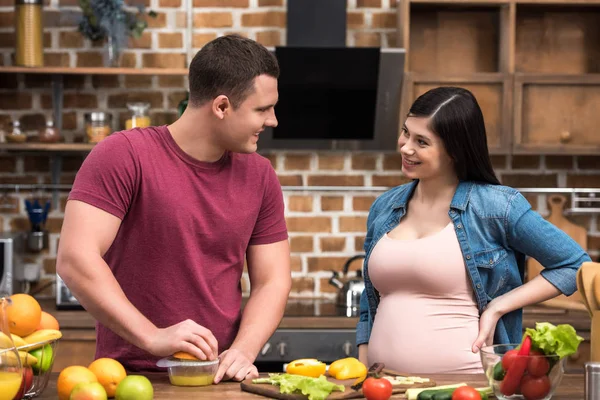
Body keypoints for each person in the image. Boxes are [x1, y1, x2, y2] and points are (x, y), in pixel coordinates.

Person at [56, 35, 292, 382]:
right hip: (127, 379)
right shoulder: (122, 155)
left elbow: (273, 280)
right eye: (262, 109)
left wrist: (243, 350)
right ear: (222, 106)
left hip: (216, 379)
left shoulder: (260, 176)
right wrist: (153, 336)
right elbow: (75, 259)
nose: (272, 120)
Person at [356, 87, 590, 374]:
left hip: (467, 384)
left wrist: (499, 305)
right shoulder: (384, 207)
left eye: (422, 141)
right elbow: (369, 303)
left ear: (455, 150)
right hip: (385, 387)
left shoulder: (496, 206)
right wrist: (362, 369)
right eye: (406, 133)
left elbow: (575, 264)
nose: (405, 147)